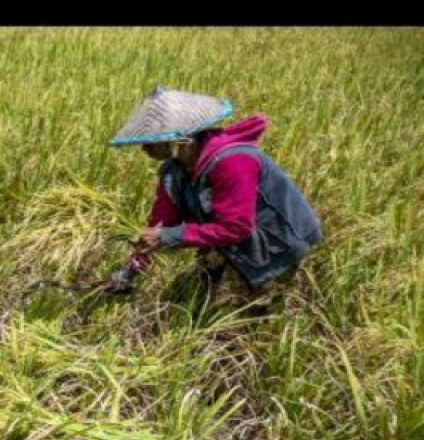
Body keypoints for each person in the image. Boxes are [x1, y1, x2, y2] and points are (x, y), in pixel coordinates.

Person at [106, 87, 322, 312]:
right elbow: (161, 224)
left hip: (272, 244)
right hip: (226, 239)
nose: (144, 149)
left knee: (226, 323)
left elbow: (237, 228)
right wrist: (131, 267)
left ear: (180, 140)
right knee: (184, 302)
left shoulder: (233, 161)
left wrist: (170, 236)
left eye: (151, 142)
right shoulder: (172, 172)